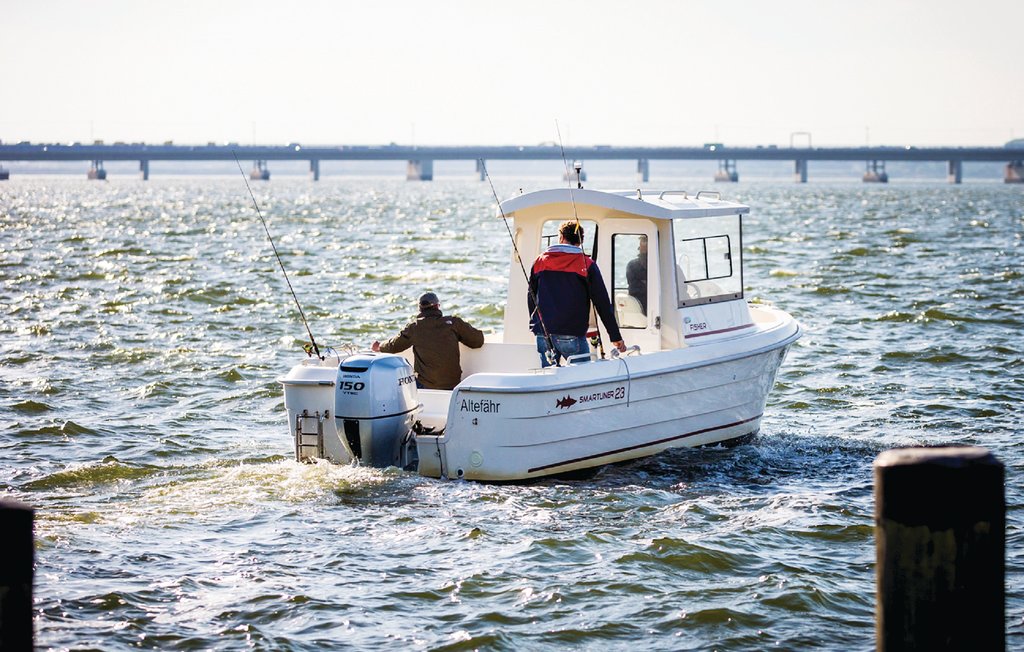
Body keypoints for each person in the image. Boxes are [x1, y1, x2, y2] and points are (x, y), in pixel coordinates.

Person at [528, 220, 626, 367]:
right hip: (572, 334)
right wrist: (615, 336)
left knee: (548, 379)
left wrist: (535, 324)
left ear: (561, 237)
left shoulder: (540, 261)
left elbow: (531, 297)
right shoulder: (587, 264)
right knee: (582, 377)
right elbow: (602, 303)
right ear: (581, 241)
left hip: (543, 333)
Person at [372, 292, 484, 390]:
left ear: (420, 309)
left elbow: (393, 346)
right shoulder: (454, 323)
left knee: (401, 383)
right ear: (438, 306)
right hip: (452, 385)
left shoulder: (415, 328)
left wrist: (379, 346)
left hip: (426, 385)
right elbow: (478, 341)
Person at [626, 236, 648, 314]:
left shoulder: (667, 266)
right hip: (641, 309)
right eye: (643, 241)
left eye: (645, 241)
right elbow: (634, 289)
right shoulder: (632, 266)